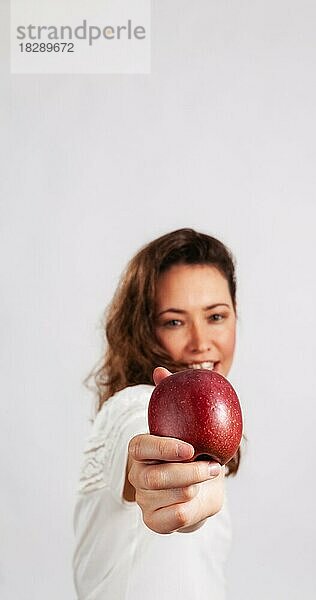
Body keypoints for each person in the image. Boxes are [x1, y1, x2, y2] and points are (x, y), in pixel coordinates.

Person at [73, 228, 242, 600]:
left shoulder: (207, 440)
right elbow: (139, 450)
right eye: (174, 321)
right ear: (142, 329)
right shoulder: (133, 406)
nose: (200, 342)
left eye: (216, 316)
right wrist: (169, 488)